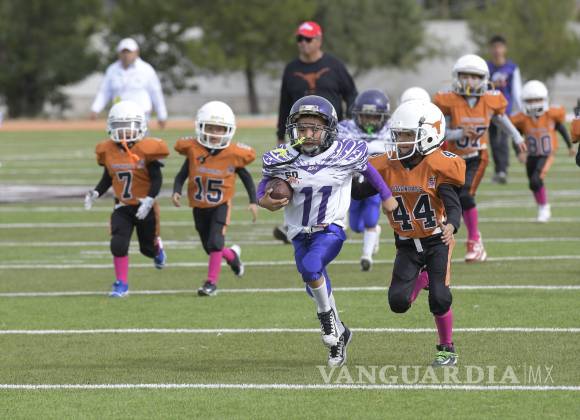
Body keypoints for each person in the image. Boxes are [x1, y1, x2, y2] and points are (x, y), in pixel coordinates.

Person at [258, 95, 397, 367]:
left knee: (312, 268)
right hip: (298, 232)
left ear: (329, 129)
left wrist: (387, 197)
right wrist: (263, 201)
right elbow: (264, 183)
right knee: (313, 281)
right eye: (302, 128)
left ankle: (327, 321)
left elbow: (369, 171)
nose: (308, 135)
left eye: (315, 129)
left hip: (330, 229)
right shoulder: (284, 157)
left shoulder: (343, 153)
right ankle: (341, 334)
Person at [358, 100, 466, 366]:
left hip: (436, 240)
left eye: (407, 135)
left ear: (429, 134)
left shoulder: (438, 166)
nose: (401, 141)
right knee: (398, 303)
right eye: (399, 135)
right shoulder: (388, 166)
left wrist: (451, 226)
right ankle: (423, 277)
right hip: (406, 244)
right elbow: (358, 192)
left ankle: (447, 349)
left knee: (440, 297)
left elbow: (453, 206)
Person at [433, 54, 526, 263]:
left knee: (466, 196)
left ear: (483, 79)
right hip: (452, 159)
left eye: (475, 77)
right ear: (457, 77)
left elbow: (501, 119)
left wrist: (517, 137)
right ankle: (441, 244)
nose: (470, 81)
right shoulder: (448, 101)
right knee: (446, 201)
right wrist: (458, 133)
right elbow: (439, 132)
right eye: (465, 76)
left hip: (477, 156)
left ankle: (474, 240)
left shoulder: (490, 100)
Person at [273, 21, 358, 244]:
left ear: (319, 40)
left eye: (308, 39)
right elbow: (284, 103)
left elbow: (351, 93)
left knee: (335, 177)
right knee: (297, 175)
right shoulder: (291, 69)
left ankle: (336, 221)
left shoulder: (334, 65)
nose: (303, 43)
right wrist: (280, 135)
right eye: (299, 38)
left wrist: (350, 120)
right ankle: (294, 224)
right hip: (301, 134)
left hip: (332, 133)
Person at [84, 100, 169, 297]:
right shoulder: (108, 150)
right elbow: (108, 177)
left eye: (128, 127)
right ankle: (121, 284)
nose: (123, 132)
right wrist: (96, 192)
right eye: (119, 126)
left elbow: (157, 179)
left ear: (140, 127)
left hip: (144, 207)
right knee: (118, 245)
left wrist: (149, 199)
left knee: (147, 250)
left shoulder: (147, 149)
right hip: (122, 207)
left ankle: (157, 248)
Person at [172, 101, 257, 296]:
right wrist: (176, 190)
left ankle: (211, 283)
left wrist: (253, 201)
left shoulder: (233, 154)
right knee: (210, 247)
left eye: (219, 129)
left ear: (228, 130)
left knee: (215, 242)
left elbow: (246, 177)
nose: (214, 133)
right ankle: (232, 256)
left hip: (221, 204)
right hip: (199, 205)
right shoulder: (194, 150)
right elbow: (182, 174)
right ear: (200, 127)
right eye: (210, 128)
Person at [338, 89, 391, 271]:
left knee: (370, 218)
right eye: (365, 117)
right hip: (353, 183)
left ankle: (366, 256)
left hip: (374, 183)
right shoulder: (346, 128)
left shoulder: (391, 130)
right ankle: (374, 233)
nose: (369, 121)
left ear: (383, 117)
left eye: (374, 117)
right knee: (356, 226)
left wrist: (364, 148)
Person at [510, 81, 574, 222]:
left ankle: (544, 207)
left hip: (547, 154)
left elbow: (562, 129)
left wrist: (570, 146)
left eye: (537, 99)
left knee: (536, 180)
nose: (534, 103)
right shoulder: (522, 118)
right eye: (530, 100)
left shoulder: (550, 115)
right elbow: (515, 137)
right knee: (532, 184)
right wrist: (519, 152)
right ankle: (541, 206)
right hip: (532, 154)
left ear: (544, 99)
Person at [91, 38, 168, 129]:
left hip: (140, 115)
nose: (126, 55)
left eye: (129, 52)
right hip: (119, 115)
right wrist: (95, 108)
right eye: (123, 52)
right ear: (119, 53)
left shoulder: (146, 69)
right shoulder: (112, 70)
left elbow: (155, 92)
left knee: (140, 138)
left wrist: (162, 114)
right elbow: (104, 91)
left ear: (136, 52)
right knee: (118, 137)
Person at [487, 35, 523, 184]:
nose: (497, 50)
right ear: (490, 49)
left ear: (505, 49)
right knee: (493, 141)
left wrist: (520, 109)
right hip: (488, 110)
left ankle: (502, 170)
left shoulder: (512, 68)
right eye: (494, 47)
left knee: (502, 140)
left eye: (500, 47)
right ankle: (499, 169)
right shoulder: (486, 67)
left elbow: (516, 90)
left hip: (505, 110)